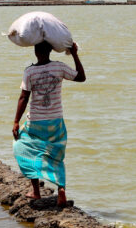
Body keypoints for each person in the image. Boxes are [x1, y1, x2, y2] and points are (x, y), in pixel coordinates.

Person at [12, 40, 86, 206]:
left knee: (24, 148)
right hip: (56, 122)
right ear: (51, 51)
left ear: (36, 52)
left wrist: (16, 121)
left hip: (36, 122)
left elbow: (24, 97)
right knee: (56, 156)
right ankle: (61, 191)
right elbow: (81, 77)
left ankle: (36, 191)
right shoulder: (59, 67)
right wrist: (74, 54)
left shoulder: (30, 71)